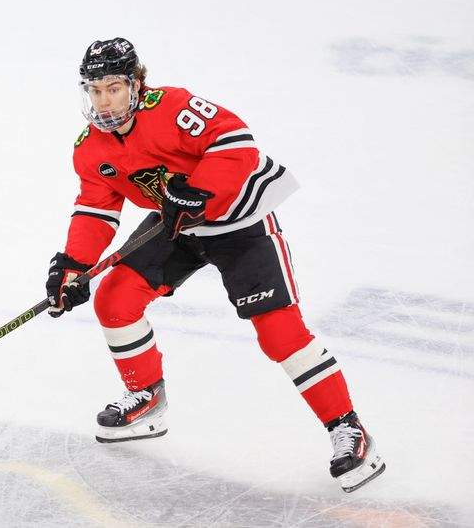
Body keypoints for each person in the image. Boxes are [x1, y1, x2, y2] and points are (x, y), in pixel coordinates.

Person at [44, 37, 386, 493]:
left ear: (137, 84)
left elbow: (236, 141)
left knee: (279, 331)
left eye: (113, 88)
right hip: (177, 224)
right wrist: (73, 265)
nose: (104, 101)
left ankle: (348, 428)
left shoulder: (174, 106)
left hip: (239, 219)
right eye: (95, 90)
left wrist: (200, 189)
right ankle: (147, 400)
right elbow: (96, 208)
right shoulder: (90, 147)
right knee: (114, 298)